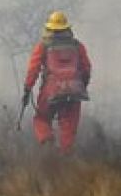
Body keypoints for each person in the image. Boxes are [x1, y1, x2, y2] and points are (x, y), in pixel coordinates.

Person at [23, 11, 92, 154]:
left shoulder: (43, 46)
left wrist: (27, 89)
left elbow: (33, 69)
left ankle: (48, 143)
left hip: (50, 90)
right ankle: (65, 160)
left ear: (50, 29)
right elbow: (86, 68)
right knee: (69, 125)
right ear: (67, 28)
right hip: (74, 90)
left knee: (41, 118)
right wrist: (82, 85)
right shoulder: (78, 46)